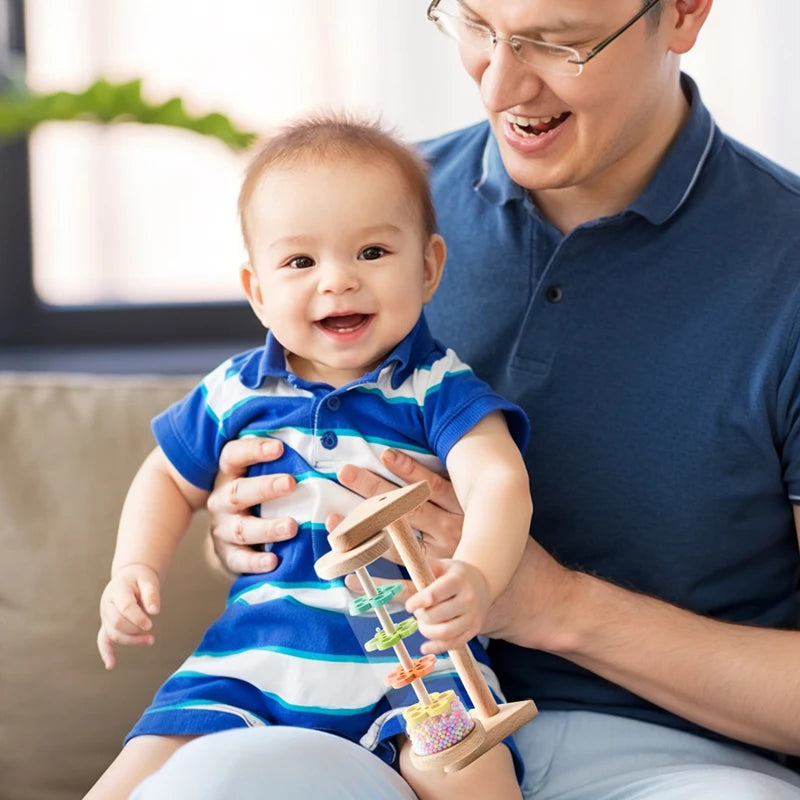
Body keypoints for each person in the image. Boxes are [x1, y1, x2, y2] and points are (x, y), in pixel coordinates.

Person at [132, 1, 800, 799]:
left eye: (560, 42)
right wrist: (245, 527)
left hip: (677, 757)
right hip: (369, 722)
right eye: (476, 25)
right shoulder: (366, 213)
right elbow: (254, 446)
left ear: (686, 14)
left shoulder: (784, 264)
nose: (501, 83)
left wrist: (551, 605)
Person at [87, 116, 533, 800]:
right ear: (257, 288)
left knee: (469, 768)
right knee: (139, 770)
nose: (338, 282)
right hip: (254, 660)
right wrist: (133, 569)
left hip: (415, 668)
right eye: (300, 262)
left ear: (429, 266)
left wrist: (477, 575)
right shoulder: (236, 389)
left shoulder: (434, 387)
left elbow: (499, 479)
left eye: (373, 252)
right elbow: (166, 478)